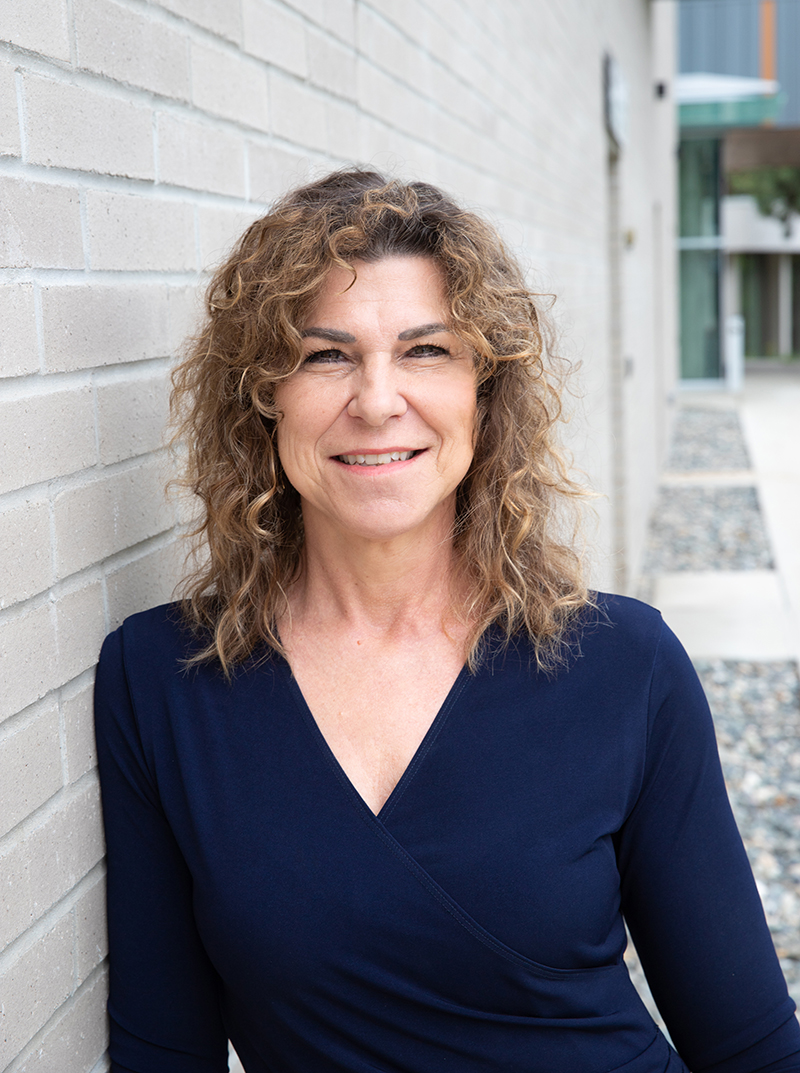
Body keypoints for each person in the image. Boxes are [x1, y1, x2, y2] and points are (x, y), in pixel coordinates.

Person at [94, 169, 800, 1073]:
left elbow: (749, 1047)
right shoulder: (162, 680)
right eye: (325, 354)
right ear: (263, 396)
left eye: (426, 350)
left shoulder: (625, 667)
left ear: (484, 393)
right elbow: (162, 1052)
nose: (378, 398)